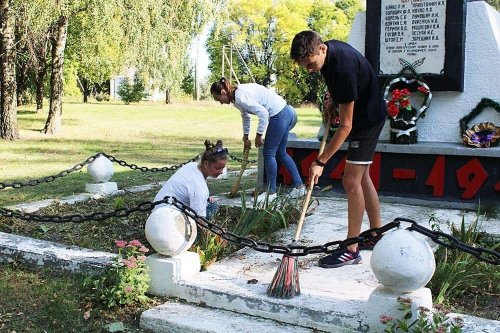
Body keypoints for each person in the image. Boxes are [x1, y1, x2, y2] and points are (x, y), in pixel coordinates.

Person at [290, 30, 387, 268]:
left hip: (367, 121)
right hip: (367, 113)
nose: (309, 69)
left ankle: (351, 249)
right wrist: (333, 100)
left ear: (321, 49)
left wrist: (320, 162)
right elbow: (340, 85)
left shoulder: (342, 68)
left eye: (311, 64)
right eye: (305, 66)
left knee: (350, 181)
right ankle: (376, 234)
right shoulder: (331, 51)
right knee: (362, 178)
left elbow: (345, 126)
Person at [210, 77, 305, 202]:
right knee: (281, 153)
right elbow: (246, 116)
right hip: (287, 112)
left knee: (269, 153)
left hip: (279, 115)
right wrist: (245, 137)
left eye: (218, 99)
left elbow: (264, 113)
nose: (220, 102)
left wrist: (259, 135)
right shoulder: (237, 96)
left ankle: (271, 193)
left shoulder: (240, 96)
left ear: (223, 92)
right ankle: (299, 187)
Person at [153, 140, 227, 220]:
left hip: (156, 212)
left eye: (223, 168)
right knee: (212, 206)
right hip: (169, 218)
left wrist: (205, 198)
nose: (221, 171)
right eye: (218, 168)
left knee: (208, 203)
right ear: (206, 164)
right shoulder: (200, 188)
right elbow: (200, 220)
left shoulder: (192, 166)